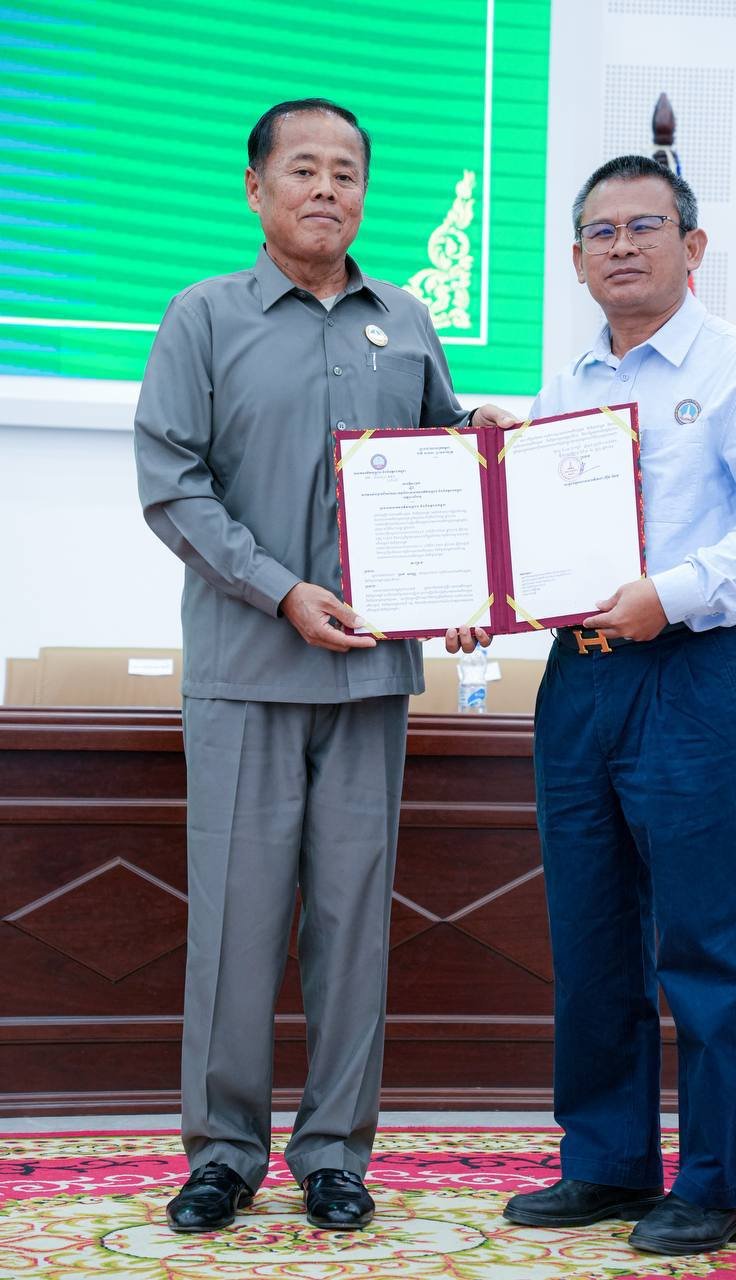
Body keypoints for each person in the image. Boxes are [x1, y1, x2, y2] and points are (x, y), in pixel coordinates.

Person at [134, 98, 504, 1234]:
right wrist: (280, 589)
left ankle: (336, 1152)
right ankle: (223, 1154)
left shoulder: (409, 317)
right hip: (247, 668)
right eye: (303, 168)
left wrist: (488, 495)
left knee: (352, 926)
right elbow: (173, 484)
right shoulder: (203, 316)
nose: (327, 188)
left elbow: (441, 464)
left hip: (369, 679)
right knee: (236, 925)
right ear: (256, 188)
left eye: (346, 170)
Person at [502, 155, 736, 1256]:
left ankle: (716, 1182)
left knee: (704, 938)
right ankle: (605, 1162)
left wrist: (673, 592)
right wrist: (482, 599)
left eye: (645, 226)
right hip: (577, 677)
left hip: (688, 673)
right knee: (591, 933)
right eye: (599, 232)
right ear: (575, 259)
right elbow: (531, 542)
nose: (621, 246)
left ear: (692, 247)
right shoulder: (567, 387)